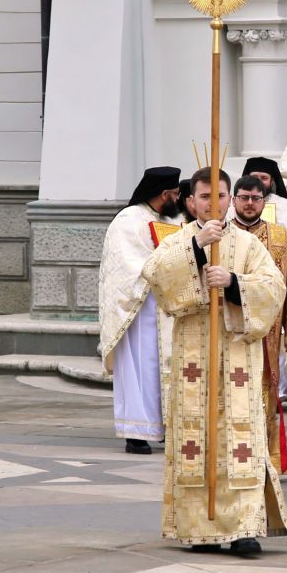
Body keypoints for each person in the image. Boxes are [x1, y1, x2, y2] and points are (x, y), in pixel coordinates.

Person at [142, 167, 287, 556]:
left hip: (238, 356)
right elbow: (155, 276)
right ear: (190, 201)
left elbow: (275, 288)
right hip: (194, 359)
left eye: (220, 196)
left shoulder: (247, 244)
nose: (213, 204)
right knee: (198, 440)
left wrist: (235, 284)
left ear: (230, 198)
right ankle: (198, 527)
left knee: (239, 440)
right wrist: (194, 250)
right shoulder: (177, 241)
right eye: (204, 197)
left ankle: (243, 528)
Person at [230, 174, 287, 475]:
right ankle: (234, 458)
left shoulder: (280, 237)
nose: (250, 203)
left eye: (256, 198)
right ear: (233, 200)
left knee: (266, 395)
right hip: (230, 330)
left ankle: (267, 459)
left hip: (268, 332)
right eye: (244, 197)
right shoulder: (222, 236)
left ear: (264, 201)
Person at [97, 165, 181, 455]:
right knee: (139, 370)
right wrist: (163, 265)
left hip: (165, 309)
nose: (179, 198)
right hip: (138, 310)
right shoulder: (128, 219)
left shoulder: (169, 219)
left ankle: (165, 427)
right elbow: (129, 264)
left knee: (165, 371)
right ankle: (135, 433)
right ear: (165, 194)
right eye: (176, 193)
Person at [242, 155, 287, 240]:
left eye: (264, 178)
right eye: (254, 177)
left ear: (272, 181)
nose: (258, 181)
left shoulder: (284, 205)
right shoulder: (236, 205)